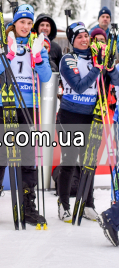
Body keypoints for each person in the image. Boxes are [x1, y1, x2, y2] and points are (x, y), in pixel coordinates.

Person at [0, 4, 52, 227]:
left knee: (28, 158)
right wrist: (8, 54)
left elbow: (47, 77)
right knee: (0, 156)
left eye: (29, 23)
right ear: (15, 23)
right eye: (22, 22)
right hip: (3, 105)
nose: (25, 26)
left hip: (28, 106)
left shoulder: (37, 44)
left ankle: (27, 206)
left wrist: (38, 58)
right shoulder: (0, 42)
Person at [56, 22, 119, 223]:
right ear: (73, 40)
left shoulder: (95, 58)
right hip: (69, 116)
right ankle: (63, 204)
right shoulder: (68, 59)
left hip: (91, 117)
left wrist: (108, 67)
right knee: (69, 161)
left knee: (88, 162)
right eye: (79, 37)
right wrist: (97, 69)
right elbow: (79, 86)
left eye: (86, 36)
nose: (84, 39)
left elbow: (115, 80)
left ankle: (87, 204)